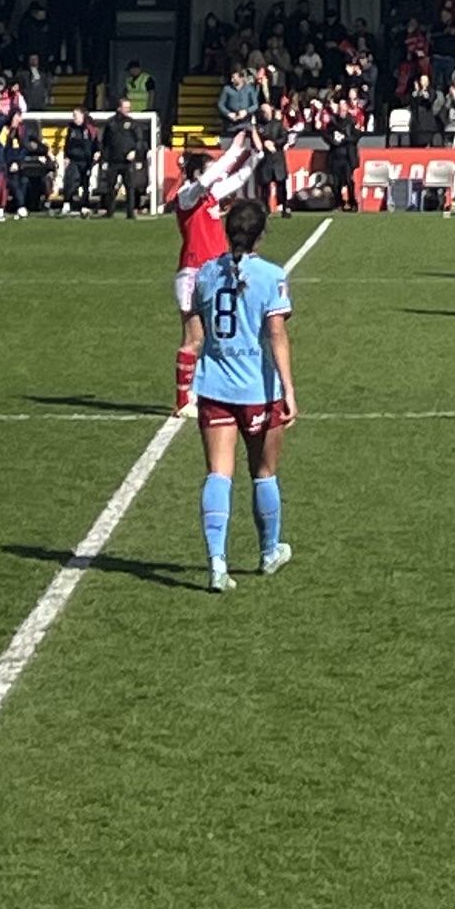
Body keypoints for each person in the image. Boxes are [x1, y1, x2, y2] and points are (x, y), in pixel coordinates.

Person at [186, 200, 296, 592]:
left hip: (215, 385)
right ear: (261, 234)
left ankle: (217, 563)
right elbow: (277, 335)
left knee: (219, 473)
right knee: (263, 472)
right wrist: (289, 390)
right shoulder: (271, 275)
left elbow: (195, 332)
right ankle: (268, 551)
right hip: (257, 389)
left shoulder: (206, 274)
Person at [164, 129, 265, 412]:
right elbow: (210, 178)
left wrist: (256, 156)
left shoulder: (209, 198)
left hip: (213, 272)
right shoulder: (187, 195)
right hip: (193, 273)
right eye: (209, 170)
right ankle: (182, 401)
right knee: (194, 338)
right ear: (196, 174)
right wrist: (233, 151)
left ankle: (200, 392)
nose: (216, 175)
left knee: (213, 338)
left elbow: (238, 179)